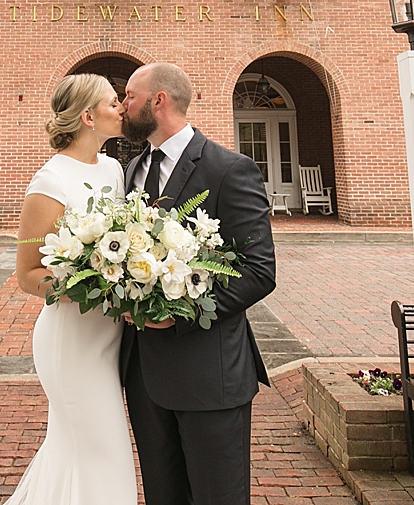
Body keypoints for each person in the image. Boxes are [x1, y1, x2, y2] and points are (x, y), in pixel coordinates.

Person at [118, 62, 277, 505]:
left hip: (210, 372)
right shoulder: (132, 170)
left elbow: (259, 270)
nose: (122, 105)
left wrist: (179, 316)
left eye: (130, 96)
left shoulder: (229, 168)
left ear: (158, 101)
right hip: (144, 374)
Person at [5, 73, 137, 505]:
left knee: (75, 451)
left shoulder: (114, 169)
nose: (121, 108)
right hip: (71, 341)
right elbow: (27, 274)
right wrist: (93, 283)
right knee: (106, 451)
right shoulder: (49, 182)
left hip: (109, 336)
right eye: (112, 102)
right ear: (87, 116)